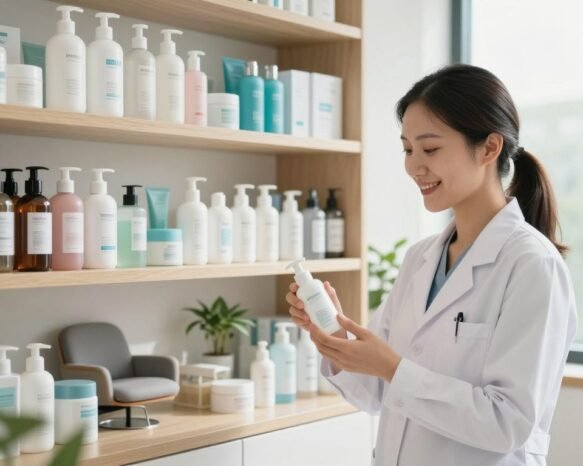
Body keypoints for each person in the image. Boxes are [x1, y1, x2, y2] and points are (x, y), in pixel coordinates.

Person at [286, 64, 577, 466]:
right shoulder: (420, 258)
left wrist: (393, 368)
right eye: (407, 149)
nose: (413, 166)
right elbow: (377, 393)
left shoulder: (531, 265)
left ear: (489, 148)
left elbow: (508, 422)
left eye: (431, 149)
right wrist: (335, 335)